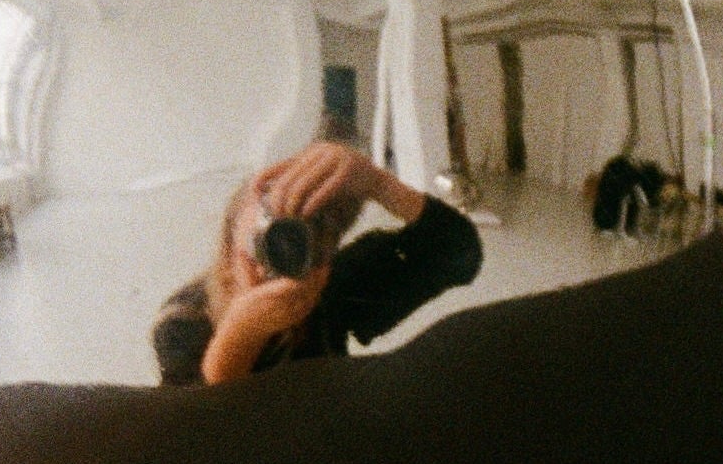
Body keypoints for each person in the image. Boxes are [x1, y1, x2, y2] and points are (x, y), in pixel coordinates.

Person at [152, 142, 482, 386]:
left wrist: (375, 183)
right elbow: (196, 434)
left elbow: (458, 251)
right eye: (265, 237)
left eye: (300, 235)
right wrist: (241, 332)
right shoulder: (185, 320)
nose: (280, 255)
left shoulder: (336, 290)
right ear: (227, 250)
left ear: (323, 252)